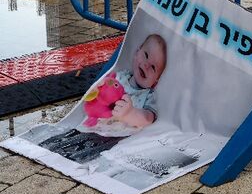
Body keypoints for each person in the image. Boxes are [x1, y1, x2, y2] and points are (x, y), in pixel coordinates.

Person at [38, 34, 167, 163]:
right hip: (94, 126)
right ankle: (46, 150)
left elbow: (148, 118)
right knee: (62, 142)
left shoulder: (148, 94)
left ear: (156, 81)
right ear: (137, 52)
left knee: (87, 156)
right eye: (145, 55)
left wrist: (131, 113)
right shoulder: (118, 76)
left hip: (118, 136)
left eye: (153, 67)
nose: (146, 65)